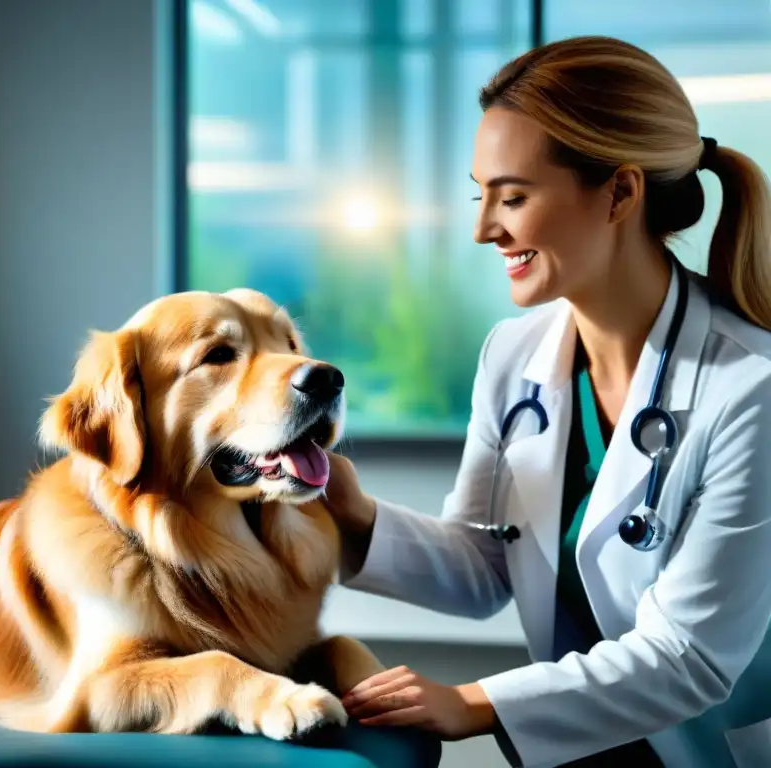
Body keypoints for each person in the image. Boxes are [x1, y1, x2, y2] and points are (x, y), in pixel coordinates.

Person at [324, 35, 771, 768]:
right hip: (580, 755)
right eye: (481, 195)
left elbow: (691, 656)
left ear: (620, 194)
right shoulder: (514, 355)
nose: (483, 228)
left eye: (514, 197)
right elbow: (482, 564)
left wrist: (472, 702)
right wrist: (353, 513)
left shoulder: (749, 386)